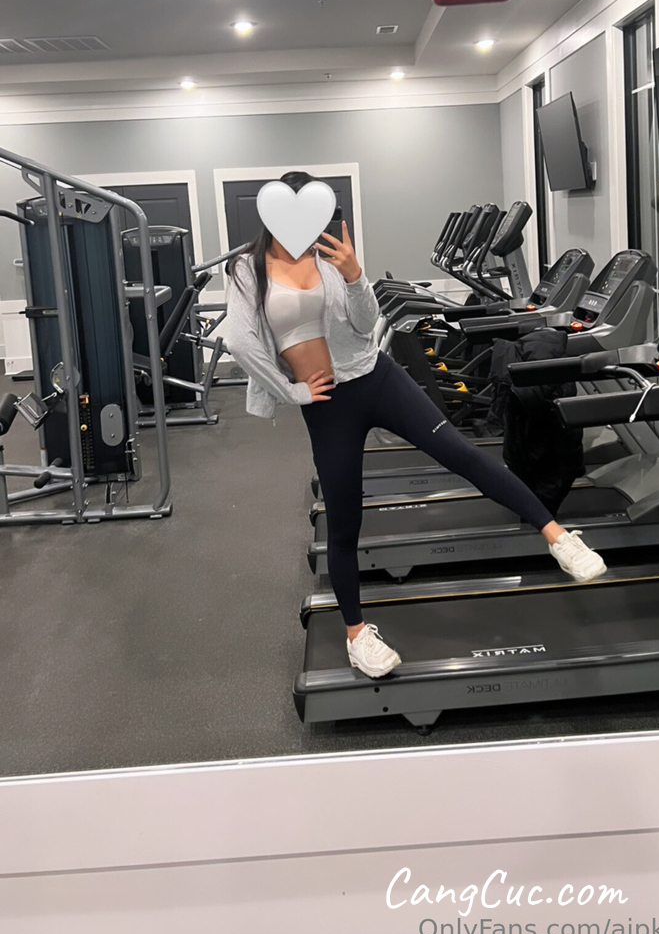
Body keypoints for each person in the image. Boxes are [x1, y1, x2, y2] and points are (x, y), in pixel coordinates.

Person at [224, 171, 606, 680]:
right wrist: (290, 391)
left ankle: (558, 537)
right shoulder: (247, 269)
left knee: (461, 453)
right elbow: (241, 341)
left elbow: (366, 324)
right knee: (345, 521)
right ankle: (357, 636)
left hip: (377, 378)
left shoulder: (330, 257)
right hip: (327, 403)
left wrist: (355, 276)